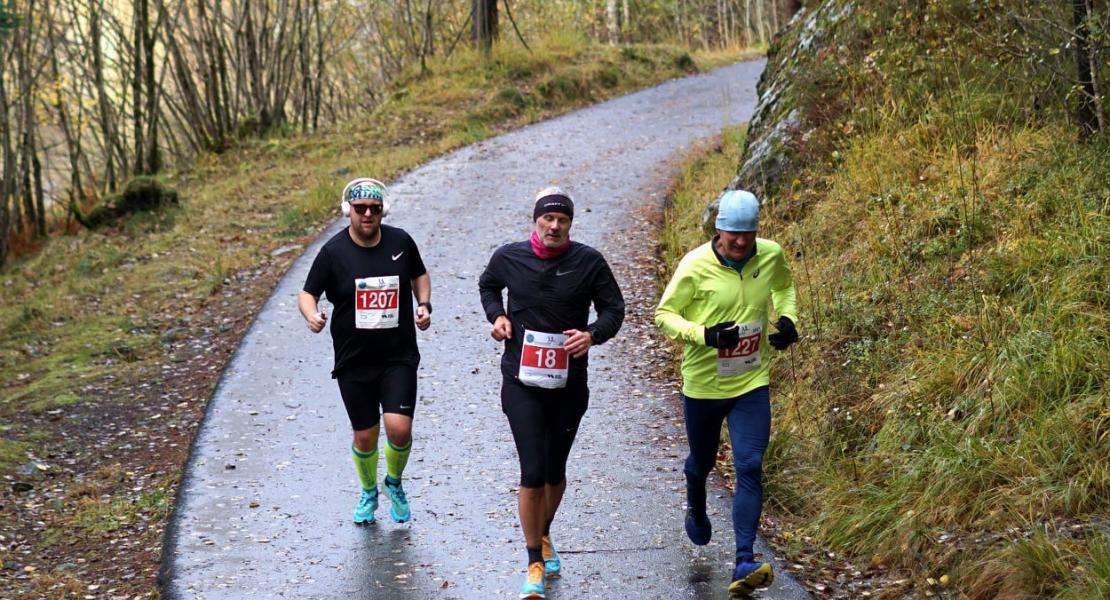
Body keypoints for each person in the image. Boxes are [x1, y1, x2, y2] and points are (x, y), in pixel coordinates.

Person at [478, 186, 625, 600]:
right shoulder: (509, 257)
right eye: (548, 219)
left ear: (570, 225)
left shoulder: (589, 262)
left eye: (562, 220)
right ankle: (533, 564)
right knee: (532, 471)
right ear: (536, 221)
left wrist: (592, 335)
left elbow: (615, 309)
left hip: (568, 384)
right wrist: (498, 316)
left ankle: (543, 533)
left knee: (556, 471)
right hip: (520, 382)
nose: (555, 226)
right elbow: (488, 285)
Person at [654, 189, 799, 598]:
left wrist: (788, 318)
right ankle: (695, 499)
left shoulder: (770, 254)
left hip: (751, 381)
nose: (740, 242)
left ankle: (744, 559)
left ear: (756, 231)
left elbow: (784, 286)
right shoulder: (695, 265)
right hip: (703, 385)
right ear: (718, 230)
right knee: (701, 462)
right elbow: (664, 315)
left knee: (750, 464)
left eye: (747, 234)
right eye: (733, 235)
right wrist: (706, 335)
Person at [299, 177, 432, 525]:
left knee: (399, 428)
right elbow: (306, 293)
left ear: (383, 210)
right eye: (360, 209)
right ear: (349, 212)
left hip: (397, 355)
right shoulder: (333, 253)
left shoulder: (401, 241)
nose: (368, 215)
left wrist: (424, 304)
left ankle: (395, 483)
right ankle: (370, 490)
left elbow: (419, 275)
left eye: (374, 209)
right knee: (365, 435)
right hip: (353, 359)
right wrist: (312, 314)